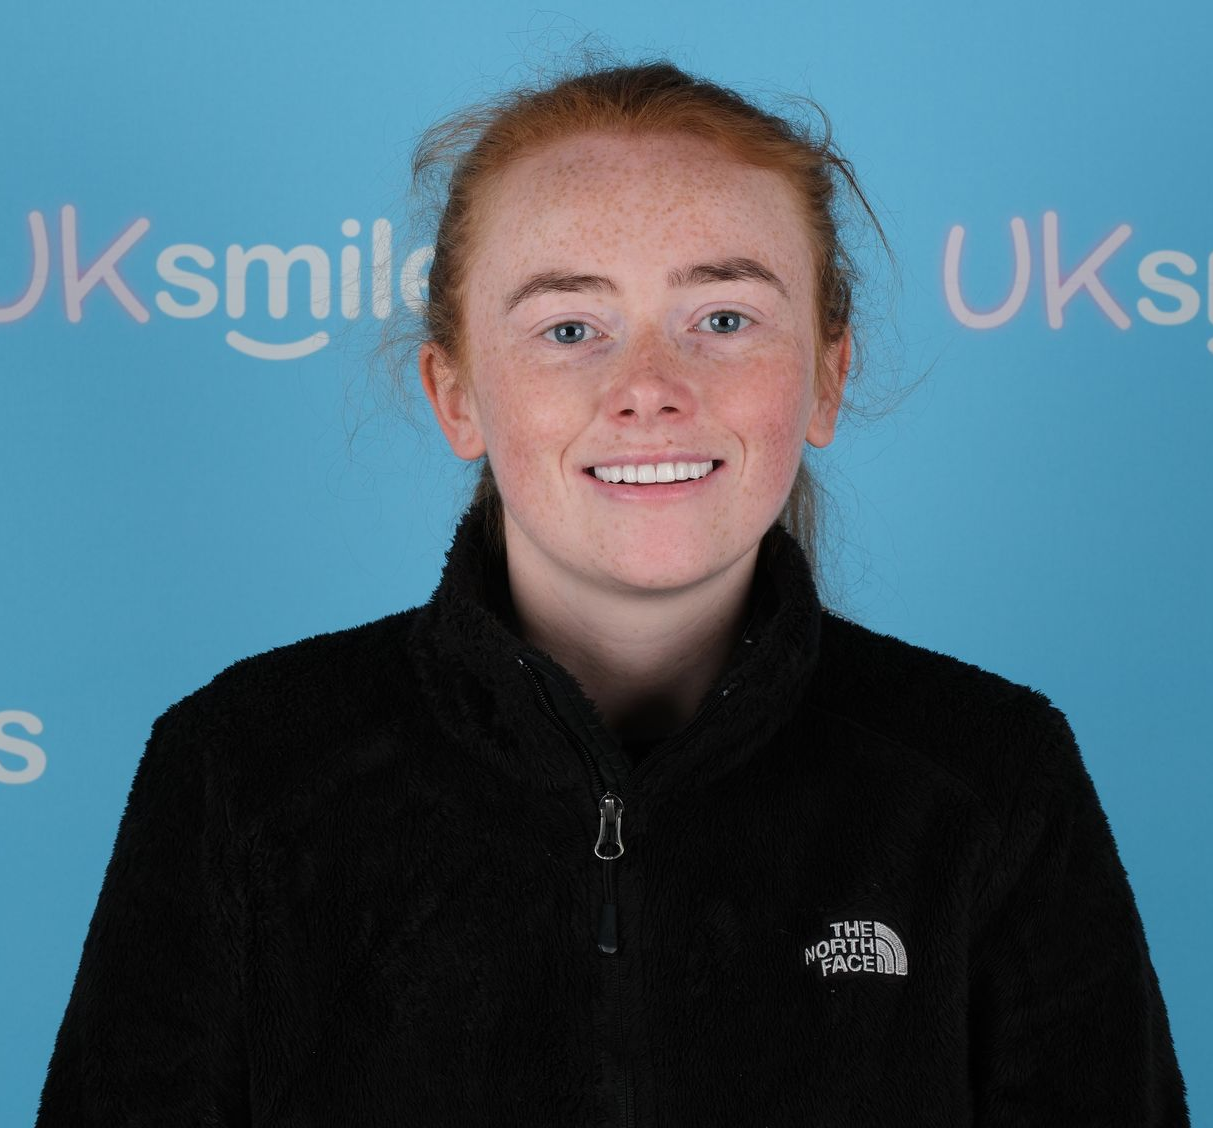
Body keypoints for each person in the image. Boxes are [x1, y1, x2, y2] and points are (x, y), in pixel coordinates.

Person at [37, 60, 1189, 1126]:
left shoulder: (987, 777)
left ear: (828, 379)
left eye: (723, 319)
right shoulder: (240, 770)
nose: (649, 387)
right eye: (570, 327)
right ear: (457, 396)